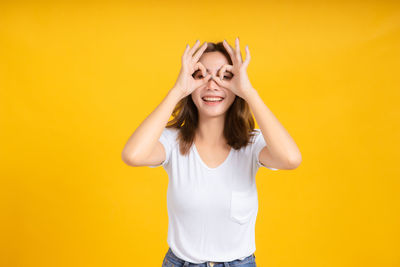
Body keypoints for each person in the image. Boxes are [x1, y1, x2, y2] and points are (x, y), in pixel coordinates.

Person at [121, 37, 302, 267]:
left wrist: (249, 91)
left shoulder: (251, 143)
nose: (212, 85)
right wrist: (177, 90)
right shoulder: (173, 142)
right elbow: (132, 155)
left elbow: (291, 158)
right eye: (201, 75)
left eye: (225, 76)